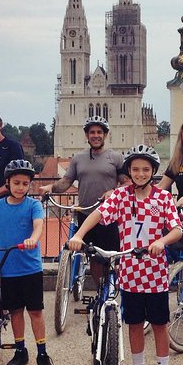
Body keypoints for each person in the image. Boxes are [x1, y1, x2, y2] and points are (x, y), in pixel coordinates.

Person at [67, 145, 183, 365]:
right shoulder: (121, 195)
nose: (140, 174)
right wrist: (79, 234)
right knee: (134, 323)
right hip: (129, 272)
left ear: (153, 171)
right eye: (136, 169)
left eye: (146, 169)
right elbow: (98, 214)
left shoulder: (162, 197)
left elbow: (176, 229)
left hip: (155, 273)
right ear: (129, 171)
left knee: (160, 324)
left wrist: (162, 241)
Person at [0, 160, 54, 365]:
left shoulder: (33, 205)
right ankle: (20, 350)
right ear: (8, 183)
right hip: (8, 266)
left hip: (30, 267)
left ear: (30, 185)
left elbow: (38, 225)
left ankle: (42, 353)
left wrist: (33, 239)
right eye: (16, 183)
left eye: (25, 183)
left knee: (35, 311)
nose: (21, 187)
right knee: (15, 311)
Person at [39, 116, 128, 284]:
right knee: (93, 257)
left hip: (109, 215)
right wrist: (51, 187)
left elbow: (126, 183)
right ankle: (100, 289)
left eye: (99, 132)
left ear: (105, 135)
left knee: (113, 257)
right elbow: (66, 181)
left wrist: (113, 191)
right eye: (92, 132)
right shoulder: (78, 158)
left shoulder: (116, 157)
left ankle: (113, 291)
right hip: (86, 213)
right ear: (87, 135)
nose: (96, 135)